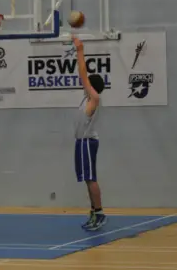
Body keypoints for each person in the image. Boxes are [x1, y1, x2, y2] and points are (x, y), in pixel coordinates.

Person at [72, 36, 107, 231]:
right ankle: (93, 212)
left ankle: (100, 213)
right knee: (87, 178)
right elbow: (83, 78)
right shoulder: (86, 99)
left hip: (87, 142)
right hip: (80, 142)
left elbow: (83, 74)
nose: (83, 84)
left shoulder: (94, 98)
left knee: (91, 177)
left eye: (86, 83)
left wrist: (80, 51)